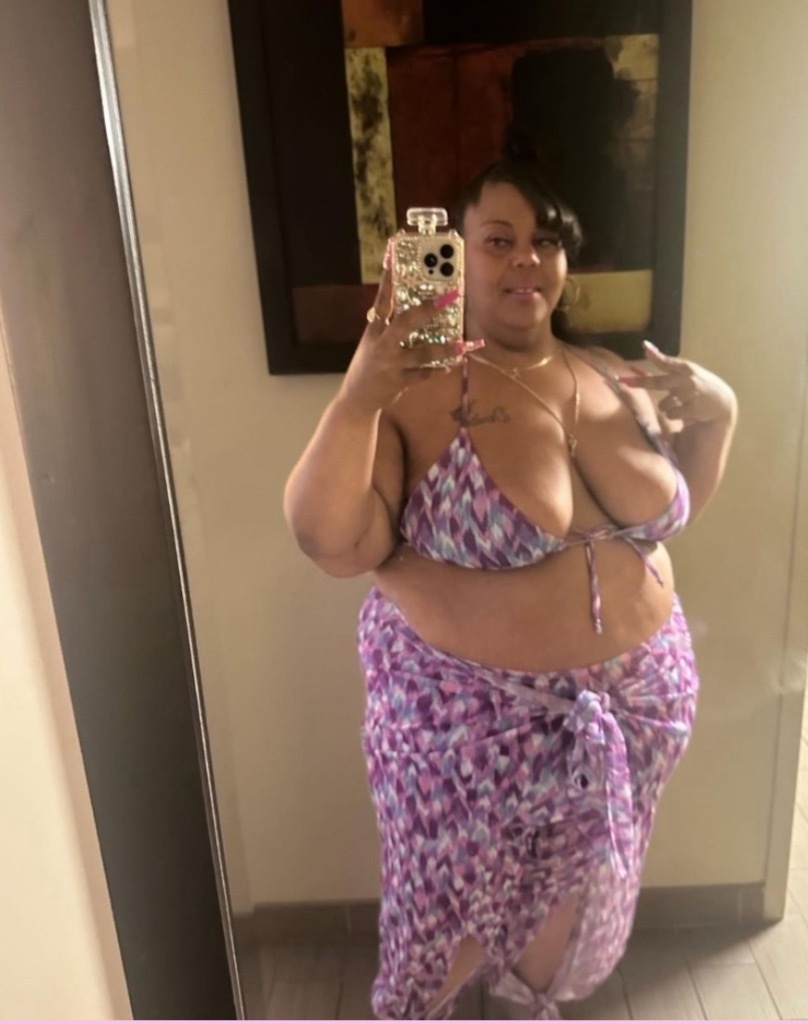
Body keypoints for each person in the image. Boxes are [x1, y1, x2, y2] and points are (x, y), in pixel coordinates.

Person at [283, 153, 737, 1020]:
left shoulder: (610, 372)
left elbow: (662, 520)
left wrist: (721, 412)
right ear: (454, 256)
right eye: (498, 240)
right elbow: (332, 542)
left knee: (553, 937)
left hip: (633, 718)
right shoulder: (415, 393)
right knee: (440, 939)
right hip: (469, 735)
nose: (527, 258)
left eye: (546, 240)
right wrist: (357, 399)